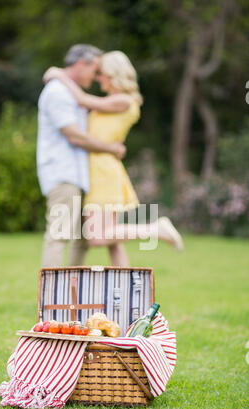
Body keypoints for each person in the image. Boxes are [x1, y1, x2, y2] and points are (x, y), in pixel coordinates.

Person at [43, 50, 184, 267]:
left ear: (112, 75)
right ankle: (127, 296)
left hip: (102, 171)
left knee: (97, 236)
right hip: (96, 169)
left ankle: (155, 230)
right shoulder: (113, 101)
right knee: (112, 241)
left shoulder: (124, 101)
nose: (98, 77)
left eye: (101, 73)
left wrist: (59, 75)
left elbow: (82, 99)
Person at [37, 44, 126, 267]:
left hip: (78, 178)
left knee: (81, 241)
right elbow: (74, 136)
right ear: (80, 64)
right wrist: (111, 148)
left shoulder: (69, 91)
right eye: (95, 69)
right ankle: (51, 300)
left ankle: (72, 299)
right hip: (63, 176)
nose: (97, 76)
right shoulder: (57, 92)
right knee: (58, 236)